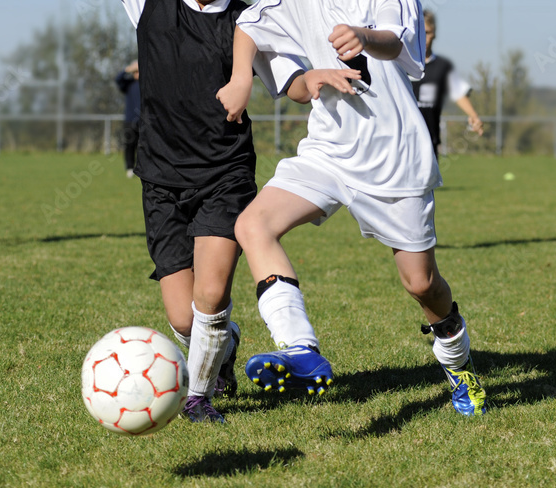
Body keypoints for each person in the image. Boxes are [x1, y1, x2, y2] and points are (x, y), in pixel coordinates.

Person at [217, 0, 488, 416]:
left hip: (395, 155)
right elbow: (250, 25)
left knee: (421, 284)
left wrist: (363, 36)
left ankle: (459, 365)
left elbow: (397, 44)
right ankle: (301, 349)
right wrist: (243, 79)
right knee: (254, 225)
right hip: (329, 149)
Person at [119, 0, 306, 424]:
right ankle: (224, 345)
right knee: (183, 317)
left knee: (210, 295)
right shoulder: (148, 5)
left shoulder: (250, 18)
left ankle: (198, 398)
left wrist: (319, 80)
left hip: (225, 172)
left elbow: (292, 80)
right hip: (161, 179)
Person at [411, 10, 484, 157]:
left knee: (430, 181)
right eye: (419, 32)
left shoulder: (442, 67)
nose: (423, 38)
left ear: (435, 34)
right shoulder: (400, 63)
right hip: (401, 142)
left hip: (429, 142)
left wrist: (473, 115)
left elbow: (458, 93)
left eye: (427, 32)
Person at [115, 60, 141, 178]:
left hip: (145, 121)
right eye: (134, 71)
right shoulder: (129, 84)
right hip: (130, 120)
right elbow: (117, 79)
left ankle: (142, 168)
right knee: (129, 145)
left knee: (144, 146)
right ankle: (130, 168)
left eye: (138, 71)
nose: (136, 73)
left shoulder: (147, 84)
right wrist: (127, 69)